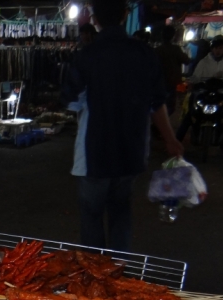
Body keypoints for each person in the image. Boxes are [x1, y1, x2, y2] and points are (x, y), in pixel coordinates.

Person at [64, 0, 184, 252]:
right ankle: (119, 275)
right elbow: (157, 103)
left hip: (93, 153)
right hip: (131, 151)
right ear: (125, 15)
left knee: (91, 218)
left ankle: (95, 278)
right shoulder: (144, 54)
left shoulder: (86, 56)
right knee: (121, 214)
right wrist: (171, 140)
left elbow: (71, 101)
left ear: (94, 19)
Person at [176, 35, 223, 151]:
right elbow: (196, 76)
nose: (217, 51)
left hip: (222, 91)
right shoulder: (204, 61)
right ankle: (176, 141)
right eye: (215, 48)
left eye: (220, 48)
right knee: (190, 114)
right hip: (204, 90)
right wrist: (190, 83)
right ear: (212, 49)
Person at [155, 25, 190, 116]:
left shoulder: (157, 50)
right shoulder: (176, 49)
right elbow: (186, 60)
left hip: (159, 81)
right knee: (169, 106)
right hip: (171, 82)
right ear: (173, 36)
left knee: (159, 104)